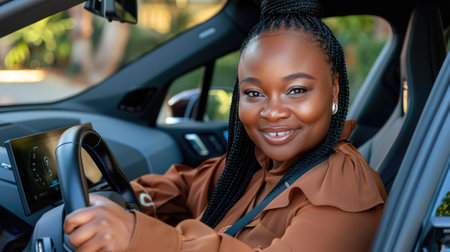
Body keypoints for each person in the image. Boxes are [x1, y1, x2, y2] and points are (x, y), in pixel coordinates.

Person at [63, 0, 387, 251]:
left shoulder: (346, 193)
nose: (272, 112)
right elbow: (188, 185)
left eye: (296, 90)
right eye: (254, 93)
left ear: (333, 91)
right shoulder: (256, 163)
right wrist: (128, 199)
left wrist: (135, 236)